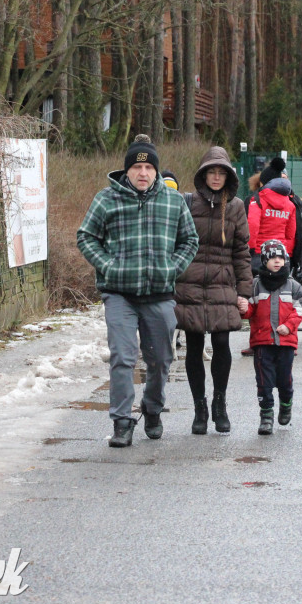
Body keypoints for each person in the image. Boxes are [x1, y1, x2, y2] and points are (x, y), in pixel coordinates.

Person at [77, 134, 199, 448]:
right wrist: (108, 265)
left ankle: (153, 408)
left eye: (148, 168)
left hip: (159, 294)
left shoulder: (173, 202)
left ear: (156, 172)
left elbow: (190, 241)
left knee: (160, 359)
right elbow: (86, 237)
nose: (142, 173)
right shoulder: (107, 199)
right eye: (136, 167)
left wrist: (172, 268)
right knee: (122, 356)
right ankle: (121, 421)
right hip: (119, 293)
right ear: (127, 170)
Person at [173, 146, 253, 435]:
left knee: (221, 343)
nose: (216, 177)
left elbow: (242, 252)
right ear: (203, 174)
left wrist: (244, 291)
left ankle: (220, 404)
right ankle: (199, 408)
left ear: (228, 176)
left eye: (221, 173)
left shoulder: (236, 207)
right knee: (193, 346)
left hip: (222, 283)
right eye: (212, 172)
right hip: (189, 283)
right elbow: (176, 243)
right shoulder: (187, 202)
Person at [238, 239, 302, 435]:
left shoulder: (293, 286)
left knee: (285, 379)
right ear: (264, 260)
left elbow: (300, 308)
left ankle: (286, 404)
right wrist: (243, 308)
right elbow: (250, 310)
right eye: (273, 257)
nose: (277, 261)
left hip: (285, 342)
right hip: (262, 342)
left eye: (281, 257)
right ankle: (266, 416)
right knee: (264, 381)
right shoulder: (256, 285)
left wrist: (289, 326)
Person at [247, 157, 297, 262]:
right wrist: (287, 253)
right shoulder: (290, 204)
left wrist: (250, 249)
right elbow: (291, 234)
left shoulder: (257, 200)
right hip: (281, 255)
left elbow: (253, 226)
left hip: (260, 253)